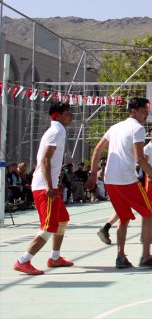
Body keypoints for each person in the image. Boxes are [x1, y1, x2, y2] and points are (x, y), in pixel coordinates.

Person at [90, 97, 152, 269]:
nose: (146, 115)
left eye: (147, 112)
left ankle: (120, 257)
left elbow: (97, 150)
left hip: (110, 180)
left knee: (124, 217)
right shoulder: (138, 129)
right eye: (144, 112)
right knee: (149, 213)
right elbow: (140, 159)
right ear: (133, 111)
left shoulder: (115, 127)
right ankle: (146, 256)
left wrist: (92, 175)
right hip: (126, 180)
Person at [13, 102, 88, 275]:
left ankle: (55, 258)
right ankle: (23, 260)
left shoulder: (59, 130)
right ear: (58, 116)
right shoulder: (55, 131)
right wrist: (48, 185)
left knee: (62, 220)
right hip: (44, 187)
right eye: (68, 113)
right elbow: (46, 159)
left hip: (50, 185)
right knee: (48, 227)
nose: (72, 116)